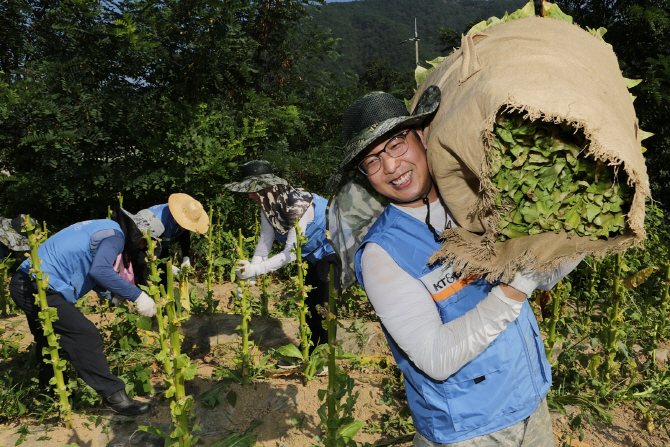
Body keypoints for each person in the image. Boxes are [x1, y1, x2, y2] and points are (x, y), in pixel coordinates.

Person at [327, 88, 580, 446]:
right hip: (467, 430)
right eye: (371, 160)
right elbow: (436, 357)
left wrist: (576, 235)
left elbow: (545, 275)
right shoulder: (381, 254)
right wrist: (518, 283)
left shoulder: (474, 202)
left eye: (397, 144)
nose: (390, 167)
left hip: (531, 402)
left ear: (422, 138)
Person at [8, 207, 164, 416]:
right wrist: (137, 296)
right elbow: (99, 270)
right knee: (85, 335)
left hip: (26, 283)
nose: (143, 248)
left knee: (50, 338)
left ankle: (51, 393)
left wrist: (111, 295)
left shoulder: (105, 227)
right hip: (37, 287)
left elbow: (85, 264)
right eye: (146, 243)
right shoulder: (115, 237)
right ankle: (114, 397)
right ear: (140, 234)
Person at [225, 160, 338, 361]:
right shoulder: (267, 207)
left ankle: (325, 360)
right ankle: (309, 354)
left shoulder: (298, 204)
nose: (250, 195)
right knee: (310, 304)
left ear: (269, 188)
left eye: (253, 190)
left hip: (332, 250)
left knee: (324, 305)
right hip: (311, 256)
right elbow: (264, 244)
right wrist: (249, 276)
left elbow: (292, 252)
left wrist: (256, 270)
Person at [147, 193, 209, 277]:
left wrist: (186, 257)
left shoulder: (183, 221)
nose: (187, 227)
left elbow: (185, 235)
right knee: (146, 277)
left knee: (165, 278)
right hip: (144, 242)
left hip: (162, 244)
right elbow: (152, 247)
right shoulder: (160, 221)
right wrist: (169, 267)